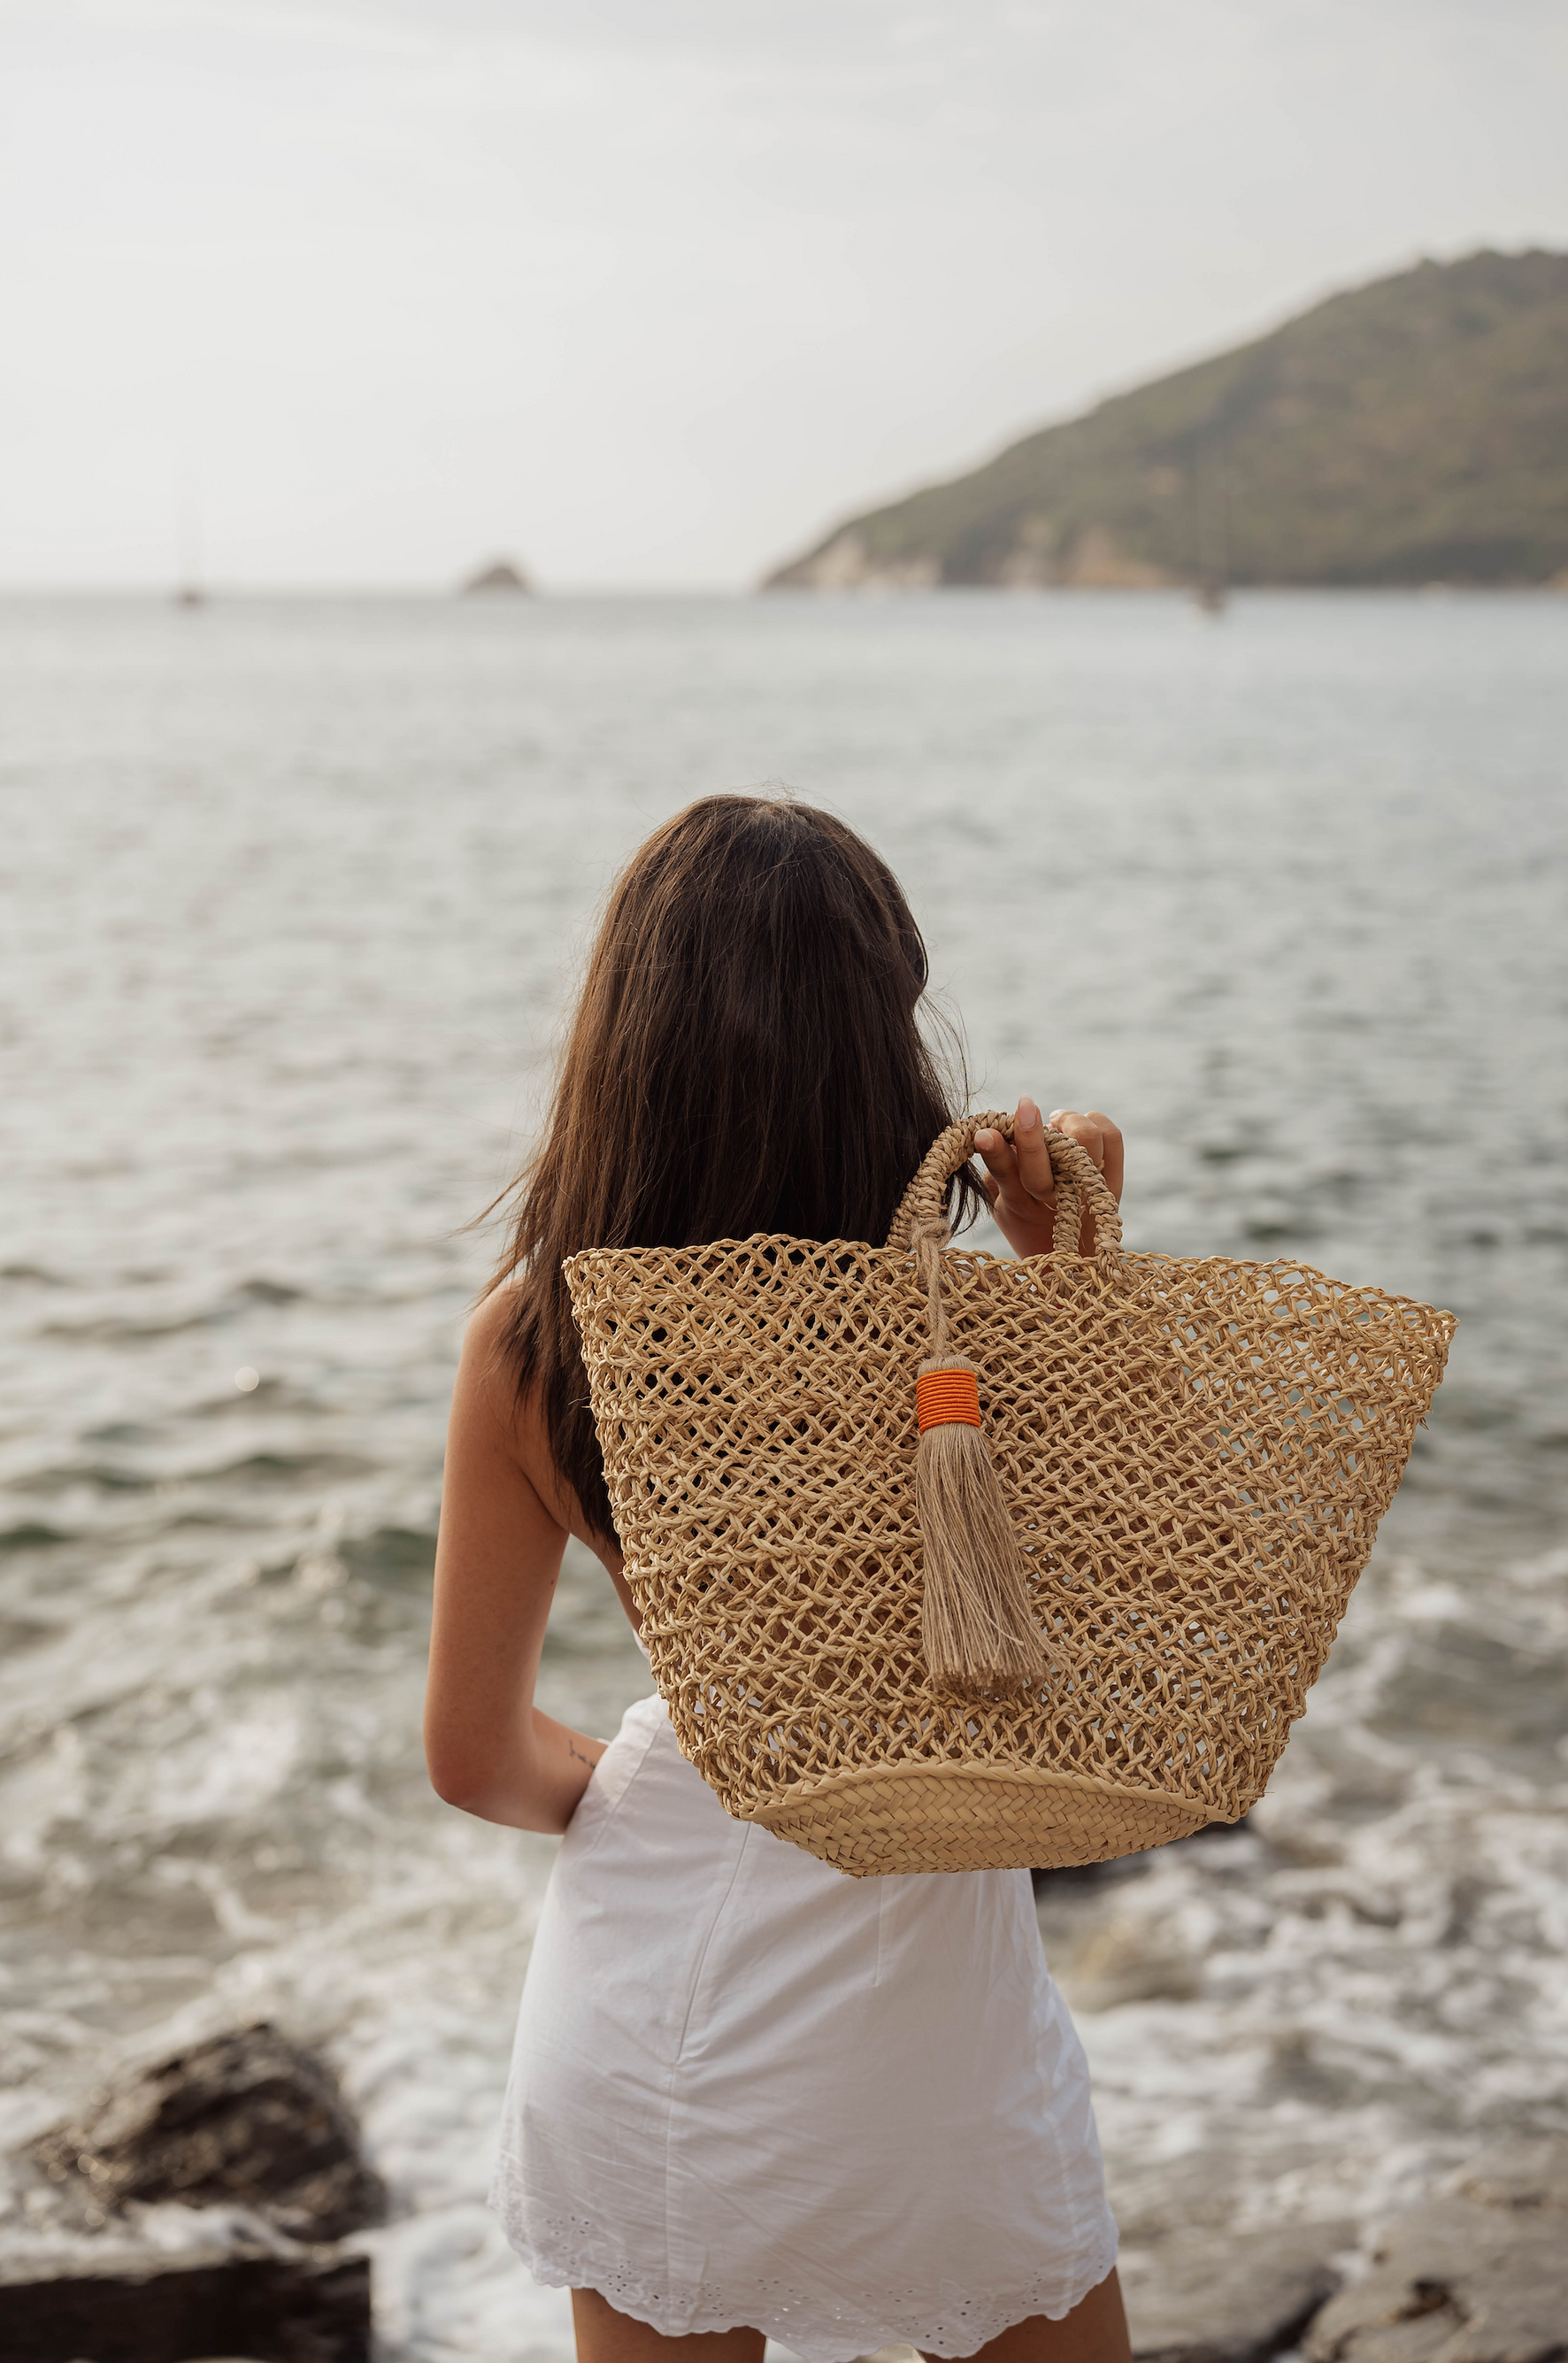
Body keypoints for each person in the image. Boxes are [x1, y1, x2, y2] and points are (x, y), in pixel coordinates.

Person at [424, 796, 1132, 2363]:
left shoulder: (535, 1337)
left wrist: (650, 1779)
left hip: (650, 2015)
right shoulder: (962, 1334)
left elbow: (476, 1759)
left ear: (626, 1045)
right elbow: (1103, 1640)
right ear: (883, 1042)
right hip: (925, 2022)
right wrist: (1075, 1267)